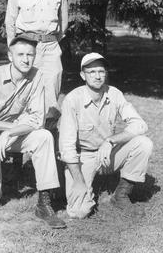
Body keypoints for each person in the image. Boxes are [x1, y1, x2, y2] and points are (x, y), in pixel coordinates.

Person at [0, 33, 66, 229]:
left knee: (44, 136)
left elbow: (37, 120)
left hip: (11, 136)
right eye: (20, 54)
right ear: (10, 56)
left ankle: (44, 203)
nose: (26, 59)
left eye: (30, 54)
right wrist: (9, 129)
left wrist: (10, 133)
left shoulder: (37, 76)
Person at [59, 53, 153, 218]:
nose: (97, 76)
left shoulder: (114, 93)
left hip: (108, 153)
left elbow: (140, 125)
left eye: (101, 71)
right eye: (92, 72)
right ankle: (75, 186)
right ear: (83, 75)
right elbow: (66, 146)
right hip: (83, 157)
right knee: (78, 212)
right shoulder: (72, 100)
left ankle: (121, 195)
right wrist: (79, 182)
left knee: (143, 143)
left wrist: (110, 140)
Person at [5, 0, 68, 123]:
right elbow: (10, 22)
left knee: (52, 94)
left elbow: (63, 23)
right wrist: (13, 49)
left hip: (51, 48)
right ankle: (23, 136)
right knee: (25, 90)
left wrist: (52, 41)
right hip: (26, 47)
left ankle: (49, 133)